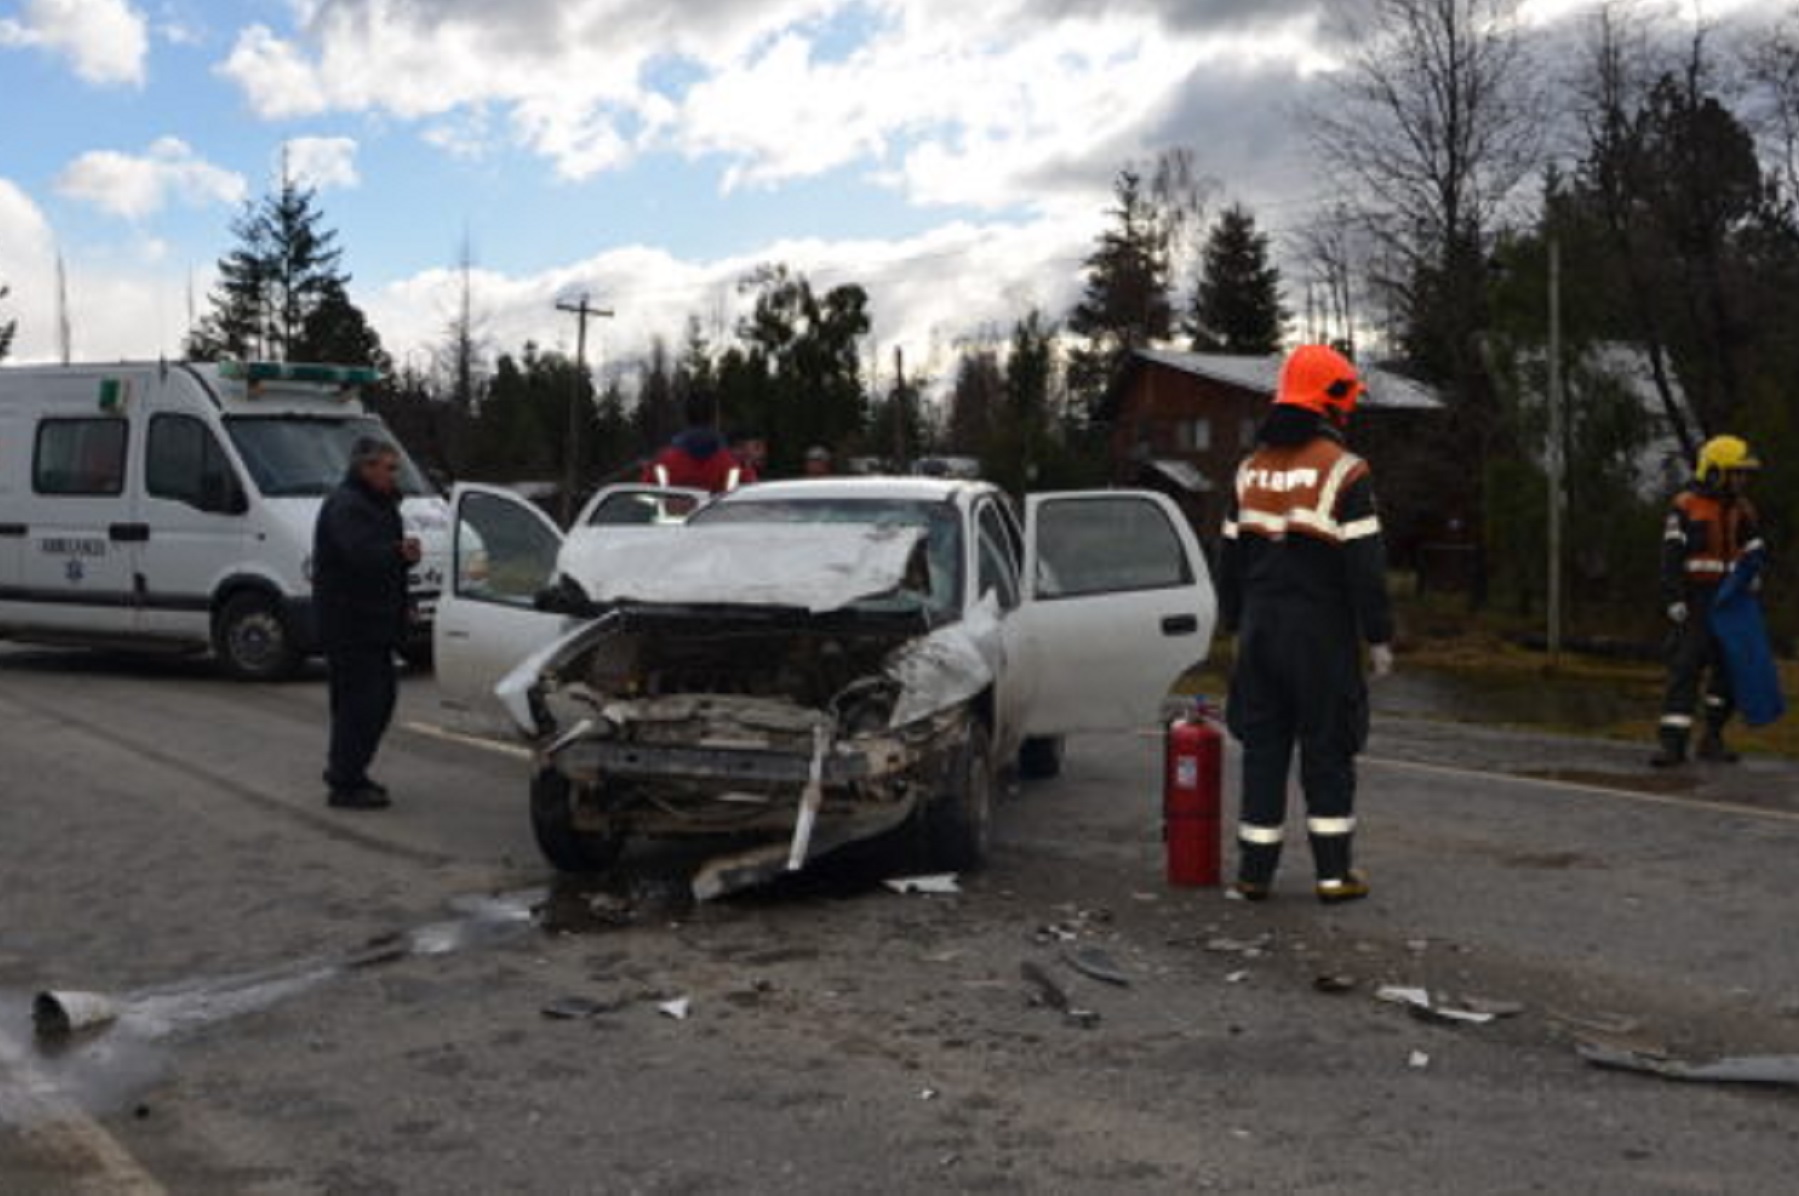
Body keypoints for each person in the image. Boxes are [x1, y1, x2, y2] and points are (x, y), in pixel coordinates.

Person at [1219, 344, 1394, 905]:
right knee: (1327, 747)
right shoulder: (1346, 471)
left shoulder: (1249, 470)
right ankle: (1334, 874)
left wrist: (1233, 625)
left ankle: (1253, 875)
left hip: (1260, 631)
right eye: (1349, 401)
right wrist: (1379, 636)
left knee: (1264, 749)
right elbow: (1365, 565)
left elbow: (1229, 560)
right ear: (1332, 401)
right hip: (1320, 634)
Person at [313, 438, 419, 810]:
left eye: (395, 468)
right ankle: (345, 781)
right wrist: (397, 553)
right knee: (362, 703)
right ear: (366, 468)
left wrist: (402, 586)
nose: (394, 475)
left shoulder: (379, 504)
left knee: (374, 701)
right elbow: (358, 555)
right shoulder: (347, 505)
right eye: (388, 468)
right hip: (350, 622)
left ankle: (348, 771)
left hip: (374, 620)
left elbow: (380, 563)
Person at [1652, 435, 1767, 767]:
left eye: (1744, 473)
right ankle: (1673, 745)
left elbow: (1755, 548)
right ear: (1716, 471)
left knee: (1729, 672)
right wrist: (1674, 598)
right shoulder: (1686, 505)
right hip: (1695, 601)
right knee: (1685, 669)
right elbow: (1670, 557)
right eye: (1737, 472)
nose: (1743, 479)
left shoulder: (1743, 509)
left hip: (1731, 602)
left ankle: (1712, 738)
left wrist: (1755, 574)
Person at [644, 391, 756, 493]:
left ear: (686, 418)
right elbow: (752, 502)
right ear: (715, 418)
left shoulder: (661, 463)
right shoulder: (735, 465)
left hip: (674, 516)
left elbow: (645, 499)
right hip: (724, 515)